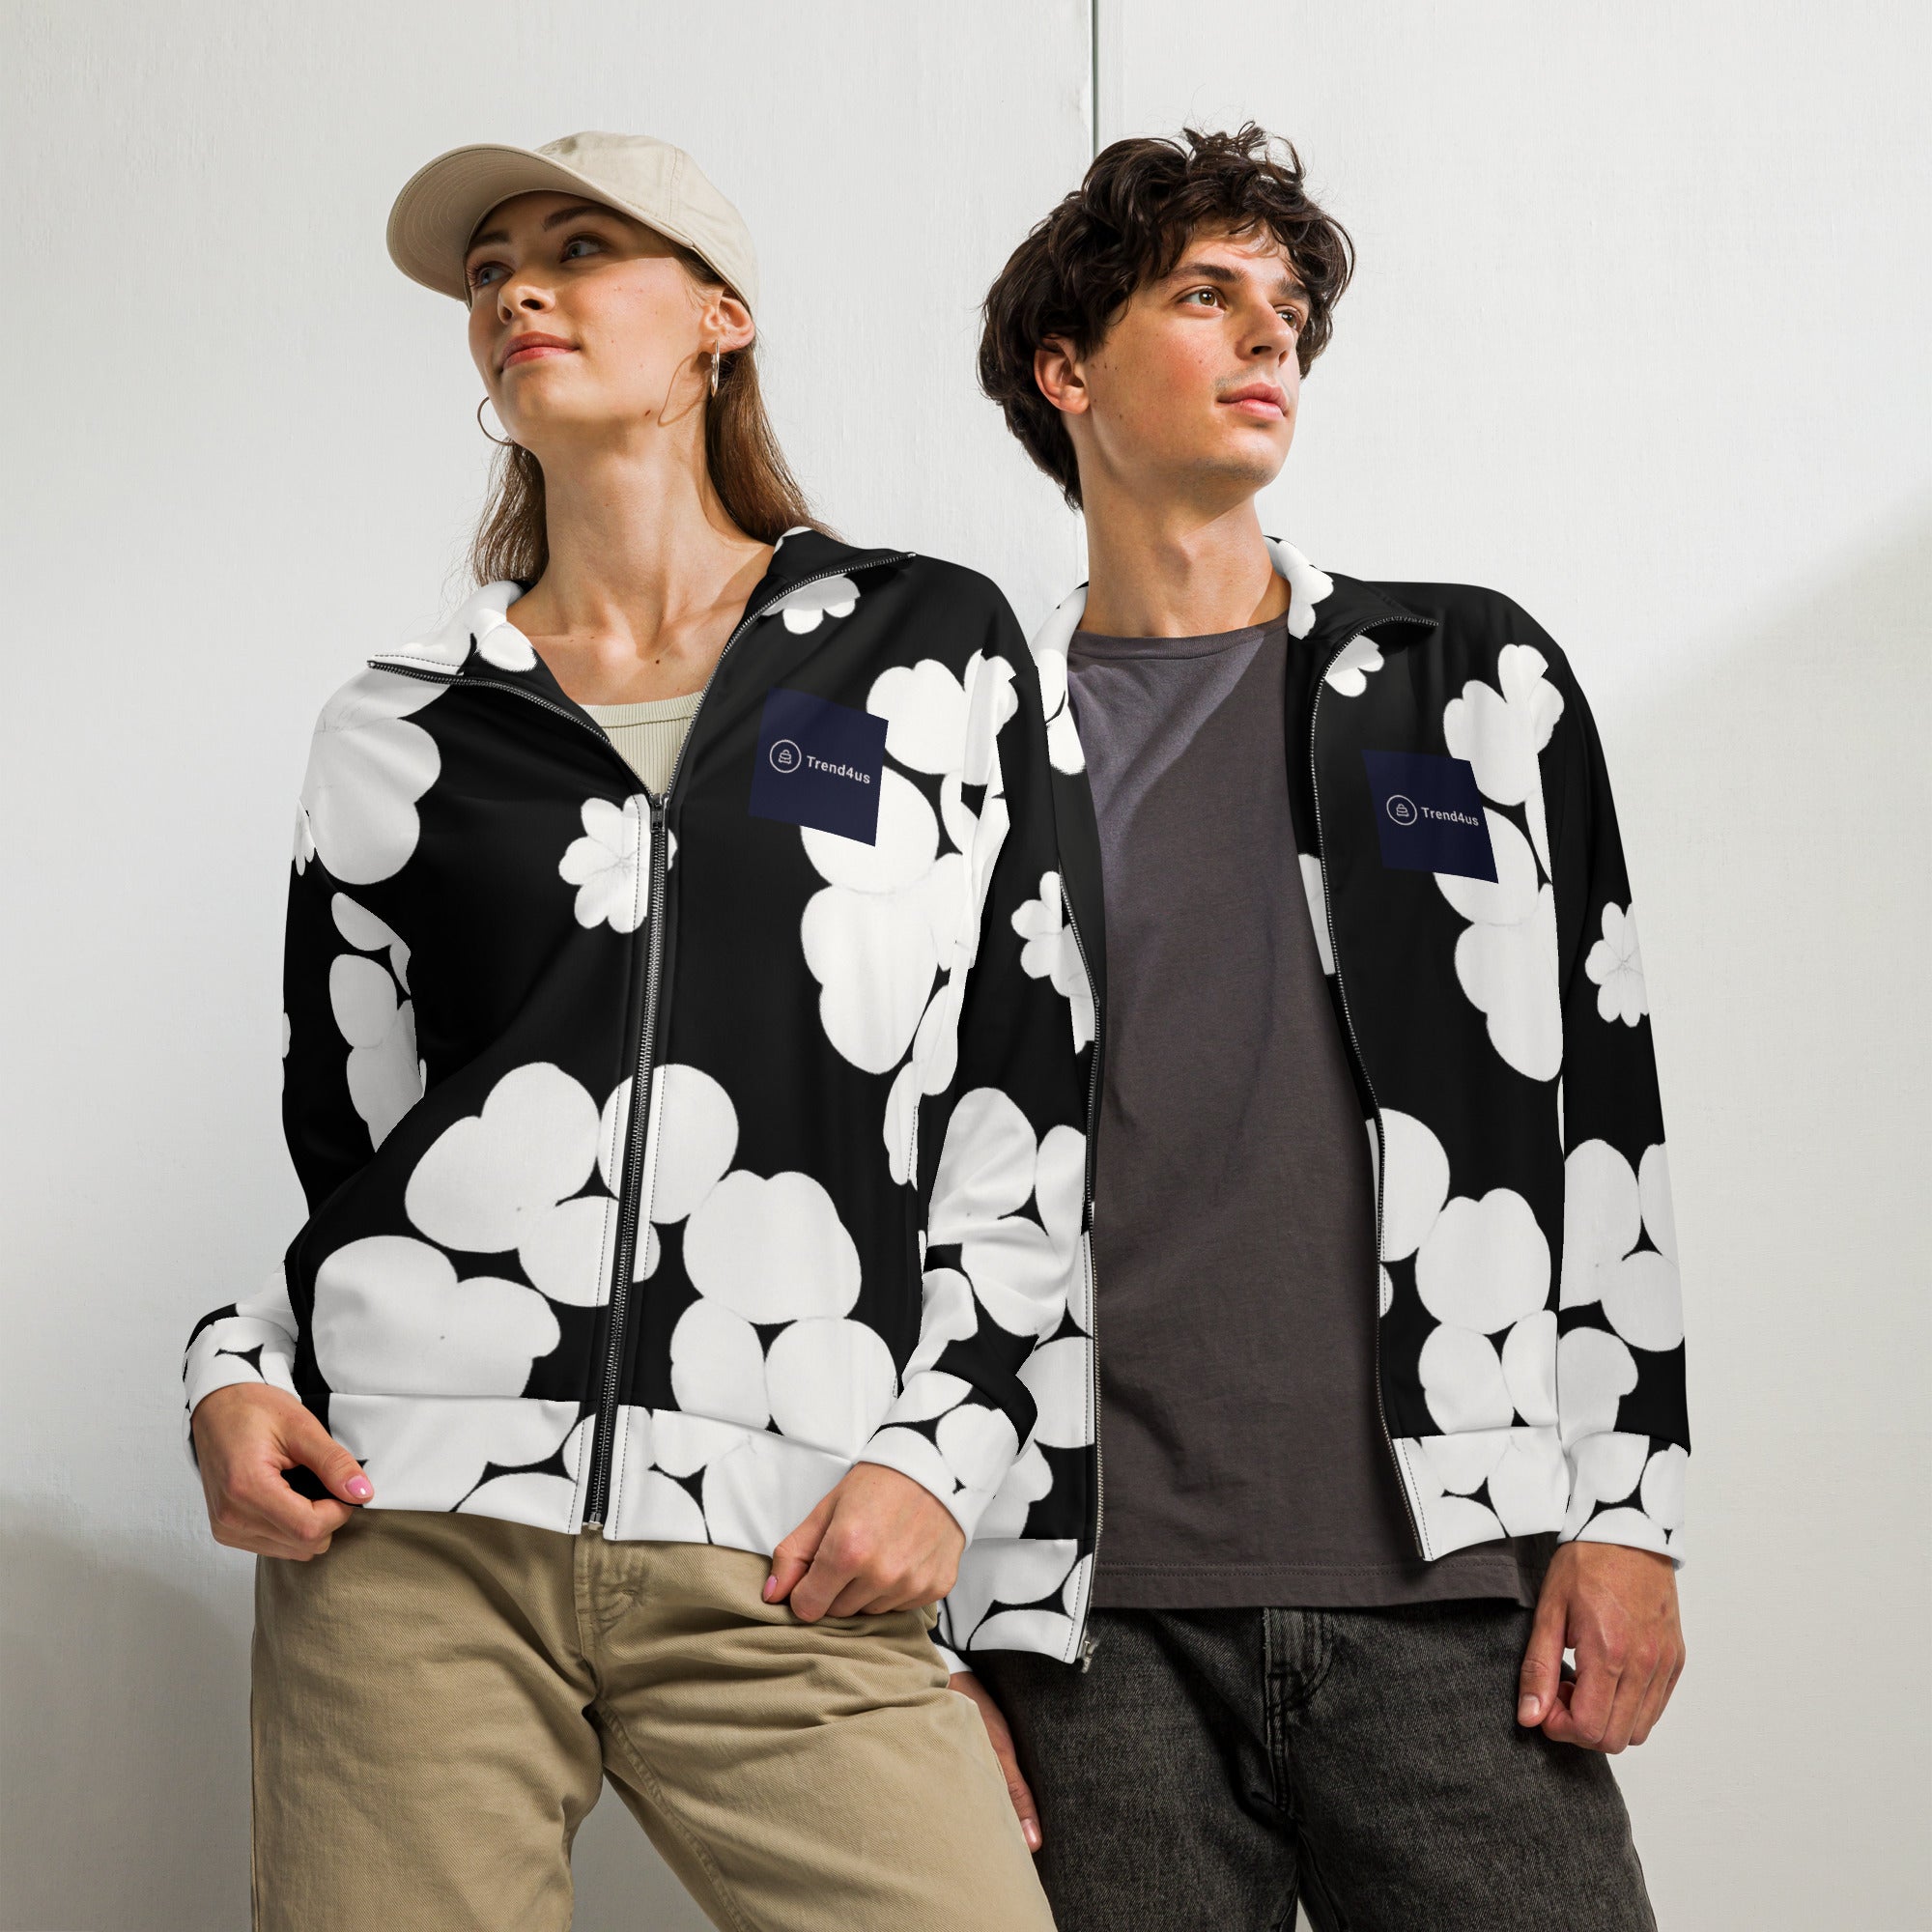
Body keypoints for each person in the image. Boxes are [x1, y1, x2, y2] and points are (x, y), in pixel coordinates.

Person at [180, 128, 1078, 1932]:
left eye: (581, 247)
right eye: (490, 266)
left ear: (719, 319)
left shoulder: (925, 648)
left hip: (793, 1536)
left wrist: (942, 1455)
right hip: (414, 1537)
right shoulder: (397, 730)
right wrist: (229, 1370)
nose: (519, 286)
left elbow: (1026, 1095)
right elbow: (357, 1158)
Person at [941, 124, 1690, 1929]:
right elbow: (886, 1178)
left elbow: (1606, 1116)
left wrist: (1630, 1512)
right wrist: (924, 1643)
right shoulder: (969, 741)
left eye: (1286, 306)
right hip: (1083, 1624)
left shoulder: (1469, 678)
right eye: (1207, 296)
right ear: (1067, 370)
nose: (1270, 333)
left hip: (1455, 1590)